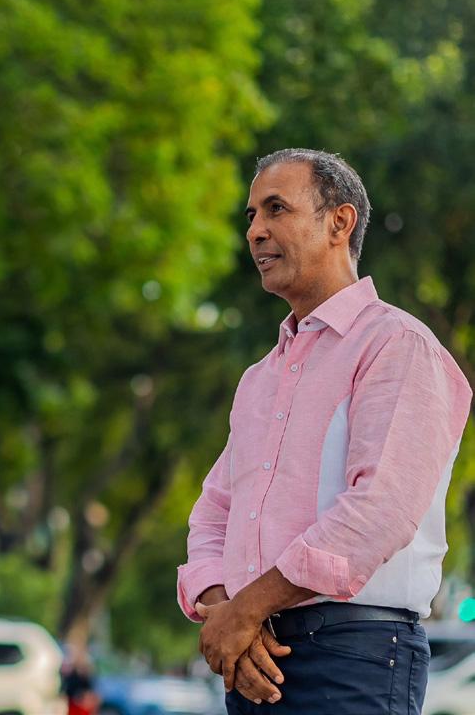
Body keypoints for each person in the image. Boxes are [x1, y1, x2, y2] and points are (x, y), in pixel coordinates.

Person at [177, 148, 472, 714]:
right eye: (251, 216)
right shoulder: (259, 379)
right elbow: (214, 515)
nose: (255, 231)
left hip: (354, 654)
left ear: (340, 222)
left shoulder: (397, 346)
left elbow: (380, 510)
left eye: (276, 209)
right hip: (251, 659)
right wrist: (226, 611)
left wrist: (248, 608)